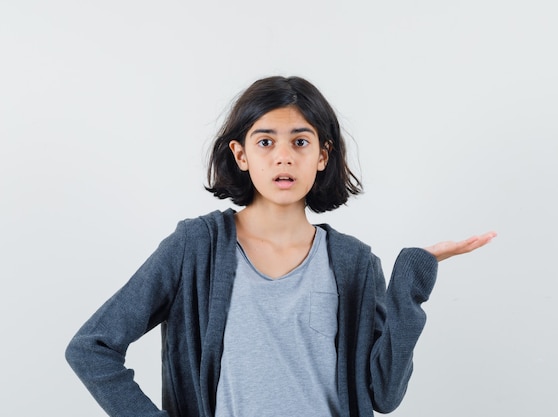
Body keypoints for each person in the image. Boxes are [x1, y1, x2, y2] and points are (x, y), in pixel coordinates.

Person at [65, 75, 496, 417]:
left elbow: (383, 394)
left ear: (323, 155)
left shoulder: (353, 263)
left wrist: (409, 281)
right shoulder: (196, 248)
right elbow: (92, 347)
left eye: (301, 141)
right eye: (266, 141)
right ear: (241, 154)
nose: (284, 157)